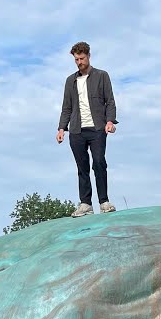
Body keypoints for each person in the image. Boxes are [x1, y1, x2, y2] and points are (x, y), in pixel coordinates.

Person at [56, 41, 118, 218]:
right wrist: (62, 128)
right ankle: (85, 204)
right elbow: (66, 107)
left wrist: (110, 121)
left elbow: (110, 101)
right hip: (76, 130)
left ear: (89, 56)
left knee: (98, 162)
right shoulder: (70, 81)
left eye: (82, 58)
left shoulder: (102, 76)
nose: (79, 62)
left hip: (97, 128)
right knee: (82, 167)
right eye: (76, 59)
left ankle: (104, 202)